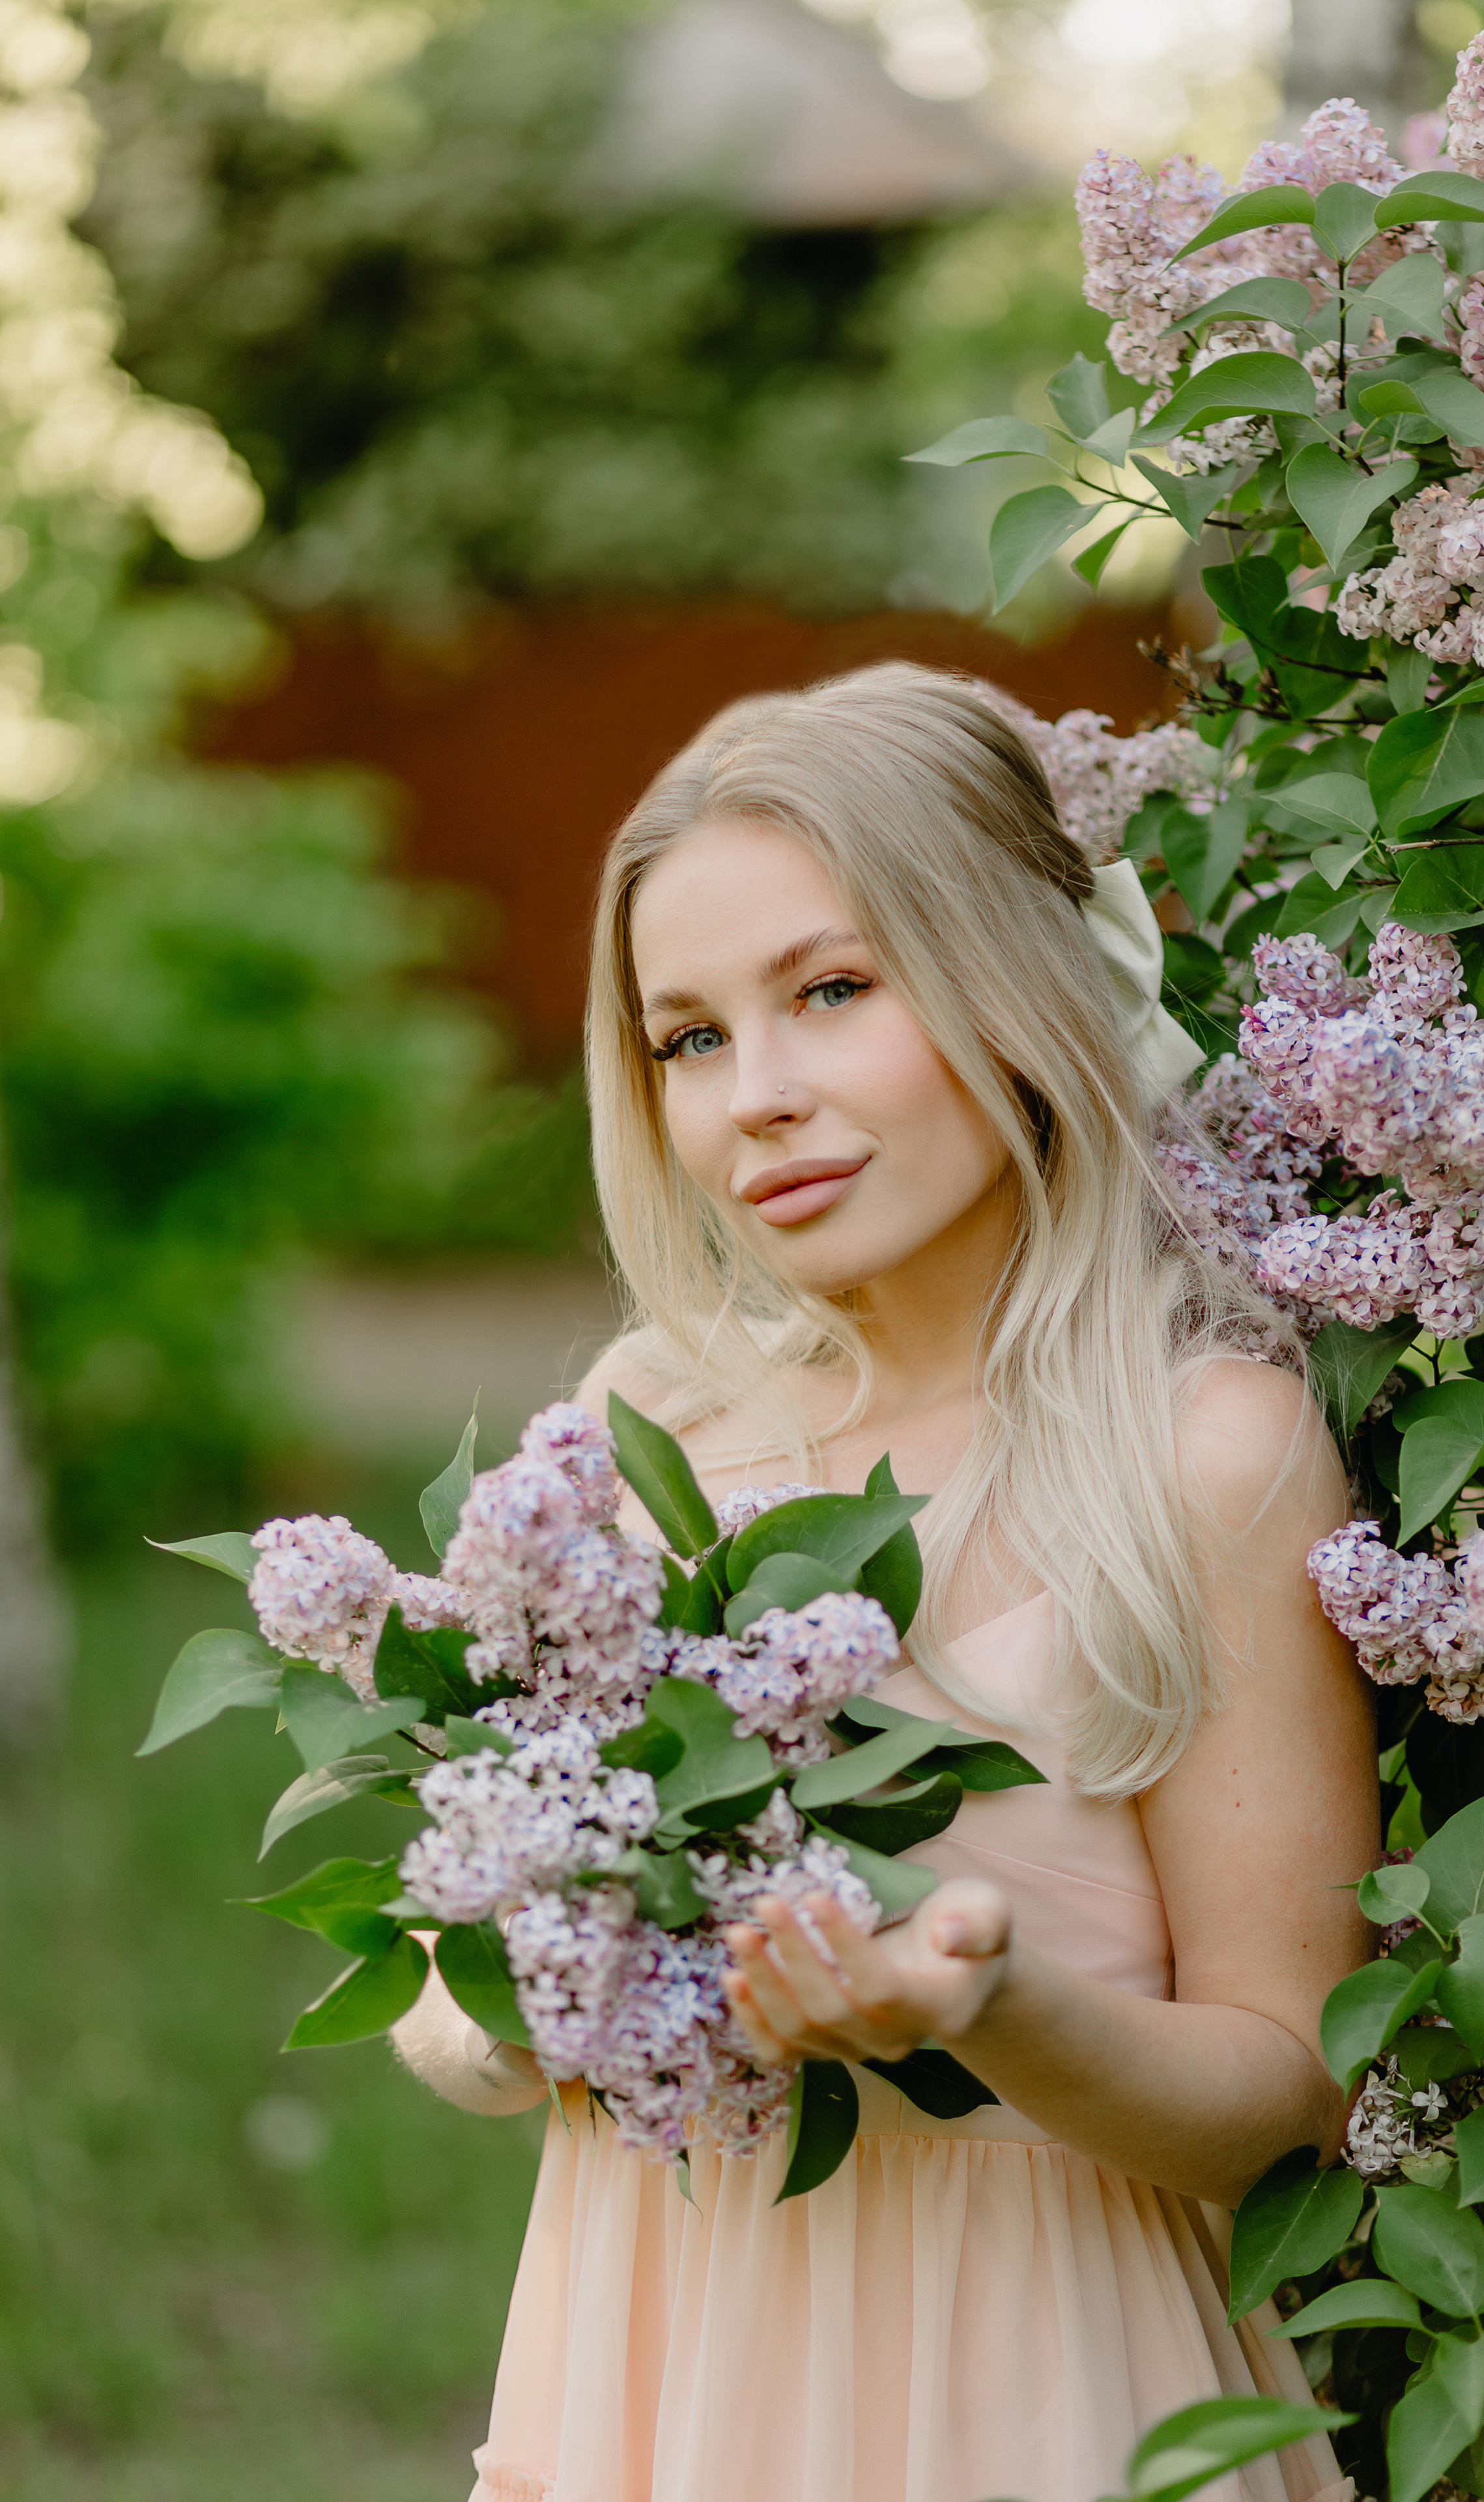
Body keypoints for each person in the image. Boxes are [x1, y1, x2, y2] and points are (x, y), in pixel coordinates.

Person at [391, 663, 1380, 2502]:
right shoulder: (641, 1436)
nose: (757, 1098)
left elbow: (1284, 2089)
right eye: (687, 1040)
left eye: (832, 992)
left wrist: (992, 2015)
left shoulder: (1200, 1454)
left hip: (1041, 2388)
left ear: (1015, 981)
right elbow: (457, 2028)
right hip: (665, 2379)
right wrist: (524, 1966)